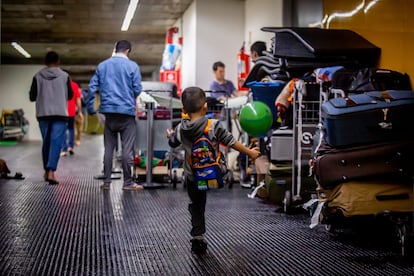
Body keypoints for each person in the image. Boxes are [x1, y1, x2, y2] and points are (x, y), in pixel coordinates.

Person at [166, 87, 260, 254]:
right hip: (215, 175)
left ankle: (198, 238)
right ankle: (221, 173)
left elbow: (173, 143)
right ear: (205, 107)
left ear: (184, 111)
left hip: (193, 177)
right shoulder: (213, 126)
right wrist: (250, 152)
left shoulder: (181, 129)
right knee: (212, 180)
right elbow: (231, 142)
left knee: (197, 205)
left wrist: (170, 135)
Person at [88, 40, 143, 190]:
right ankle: (128, 183)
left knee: (109, 148)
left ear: (115, 49)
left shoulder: (102, 65)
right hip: (126, 114)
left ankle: (106, 182)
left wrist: (90, 108)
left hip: (109, 114)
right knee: (127, 149)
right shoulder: (132, 66)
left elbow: (92, 87)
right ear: (128, 51)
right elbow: (137, 89)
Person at [29, 51, 73, 184]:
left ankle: (46, 171)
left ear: (45, 62)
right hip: (60, 114)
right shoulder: (65, 76)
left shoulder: (37, 76)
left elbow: (32, 97)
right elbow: (70, 95)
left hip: (43, 113)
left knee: (46, 142)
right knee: (56, 143)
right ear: (58, 61)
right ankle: (51, 172)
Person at [61, 80, 83, 156]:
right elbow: (78, 100)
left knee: (63, 129)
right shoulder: (75, 85)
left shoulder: (60, 84)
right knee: (71, 129)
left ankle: (64, 149)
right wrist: (80, 111)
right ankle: (70, 147)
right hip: (71, 111)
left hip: (61, 111)